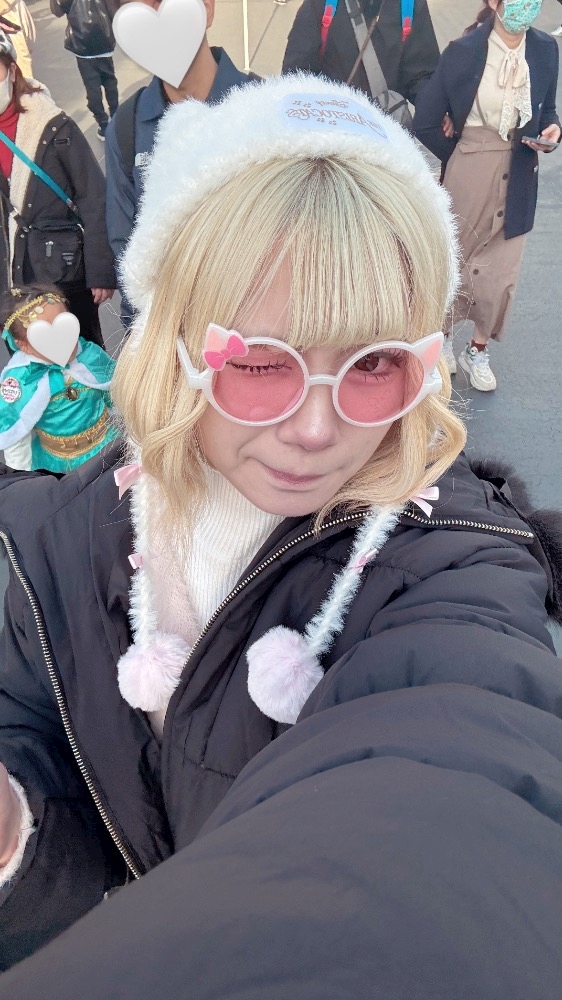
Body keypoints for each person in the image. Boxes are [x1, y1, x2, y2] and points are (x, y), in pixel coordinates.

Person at [0, 74, 562, 994]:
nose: (315, 428)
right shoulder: (60, 541)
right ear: (175, 341)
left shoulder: (452, 565)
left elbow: (463, 772)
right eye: (262, 362)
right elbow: (36, 744)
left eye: (374, 365)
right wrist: (13, 824)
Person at [413, 0, 560, 390]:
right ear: (494, 3)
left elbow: (548, 111)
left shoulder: (545, 48)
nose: (527, 6)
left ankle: (477, 350)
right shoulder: (464, 51)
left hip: (522, 166)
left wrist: (553, 131)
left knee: (502, 269)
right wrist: (460, 155)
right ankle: (442, 341)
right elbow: (424, 120)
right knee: (456, 258)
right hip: (471, 165)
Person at [105, 0, 257, 330]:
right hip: (172, 334)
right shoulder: (127, 126)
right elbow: (126, 246)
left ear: (207, 9)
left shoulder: (266, 107)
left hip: (257, 334)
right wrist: (140, 337)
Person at [0, 31, 116, 347]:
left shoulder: (53, 126)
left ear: (12, 71)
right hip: (18, 273)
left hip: (66, 270)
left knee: (81, 353)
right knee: (30, 358)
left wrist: (101, 272)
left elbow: (93, 194)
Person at [0, 286, 117, 471]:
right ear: (24, 346)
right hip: (57, 464)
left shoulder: (89, 354)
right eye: (45, 336)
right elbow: (16, 435)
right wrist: (23, 478)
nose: (63, 340)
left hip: (106, 445)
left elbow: (115, 395)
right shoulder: (20, 380)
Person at [282, 0, 439, 119]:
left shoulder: (410, 6)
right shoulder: (325, 3)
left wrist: (439, 110)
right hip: (326, 120)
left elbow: (421, 75)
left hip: (380, 128)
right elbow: (296, 71)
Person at [50, 0, 120, 141]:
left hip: (83, 46)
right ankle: (117, 117)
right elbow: (115, 9)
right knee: (110, 83)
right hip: (105, 42)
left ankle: (103, 124)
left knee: (92, 89)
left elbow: (58, 11)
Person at [0, 0, 34, 78]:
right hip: (7, 13)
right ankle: (26, 80)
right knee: (22, 53)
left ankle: (25, 79)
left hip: (14, 8)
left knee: (24, 52)